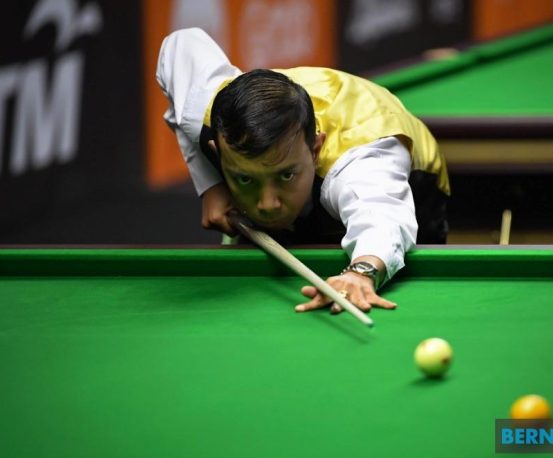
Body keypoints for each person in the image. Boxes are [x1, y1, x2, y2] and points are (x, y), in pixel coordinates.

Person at [156, 28, 449, 315]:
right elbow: (182, 45)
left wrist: (362, 272)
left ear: (316, 149)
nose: (267, 204)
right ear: (216, 150)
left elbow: (382, 218)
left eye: (285, 175)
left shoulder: (360, 163)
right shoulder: (207, 111)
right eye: (245, 178)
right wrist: (210, 184)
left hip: (418, 186)